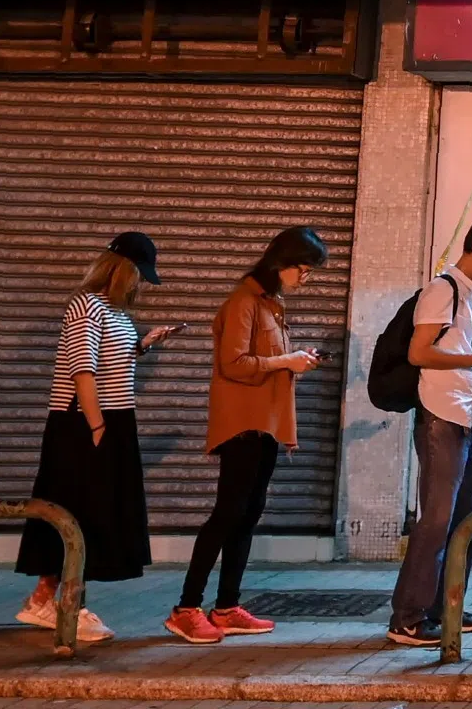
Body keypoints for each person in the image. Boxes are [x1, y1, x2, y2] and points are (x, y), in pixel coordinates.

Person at [14, 232, 181, 642]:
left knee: (94, 511)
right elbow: (82, 369)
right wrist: (96, 425)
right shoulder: (86, 306)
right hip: (82, 423)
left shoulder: (112, 310)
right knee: (81, 511)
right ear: (123, 269)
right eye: (140, 275)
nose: (142, 283)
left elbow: (108, 362)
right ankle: (64, 604)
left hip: (112, 418)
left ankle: (48, 599)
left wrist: (143, 344)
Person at [165, 226, 329, 644]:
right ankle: (186, 608)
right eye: (304, 270)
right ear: (282, 263)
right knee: (227, 514)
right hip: (242, 424)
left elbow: (269, 360)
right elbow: (233, 363)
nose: (305, 279)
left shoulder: (270, 304)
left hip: (266, 425)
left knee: (247, 515)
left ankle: (226, 607)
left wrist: (294, 361)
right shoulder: (243, 301)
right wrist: (285, 361)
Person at [386, 215, 472, 647]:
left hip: (469, 416)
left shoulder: (471, 294)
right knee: (437, 520)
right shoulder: (441, 290)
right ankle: (407, 618)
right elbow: (419, 352)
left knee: (467, 518)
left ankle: (446, 607)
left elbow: (459, 350)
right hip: (441, 415)